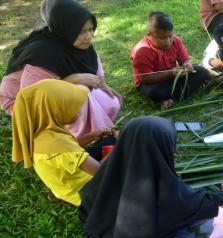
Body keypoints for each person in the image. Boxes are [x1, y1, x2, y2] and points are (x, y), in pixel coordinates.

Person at [79, 116, 223, 238]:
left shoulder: (98, 183)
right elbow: (209, 206)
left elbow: (86, 218)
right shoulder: (169, 195)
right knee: (212, 224)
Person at [1, 0, 122, 139]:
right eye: (82, 31)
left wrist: (103, 84)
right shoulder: (43, 52)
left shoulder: (74, 39)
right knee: (80, 93)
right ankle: (85, 136)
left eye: (91, 29)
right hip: (22, 103)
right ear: (67, 28)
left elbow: (94, 61)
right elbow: (32, 97)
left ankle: (93, 128)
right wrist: (75, 79)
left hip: (57, 87)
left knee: (109, 101)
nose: (89, 36)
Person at [11, 80, 105, 206]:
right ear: (54, 110)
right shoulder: (59, 145)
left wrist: (92, 135)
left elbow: (72, 148)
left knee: (107, 142)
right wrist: (118, 150)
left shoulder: (44, 134)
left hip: (66, 188)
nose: (79, 109)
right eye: (70, 105)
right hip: (89, 195)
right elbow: (104, 174)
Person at [131, 11, 208, 110]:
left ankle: (170, 99)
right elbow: (146, 78)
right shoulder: (141, 51)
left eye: (170, 36)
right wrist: (171, 73)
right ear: (149, 35)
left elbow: (185, 59)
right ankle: (178, 95)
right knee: (154, 92)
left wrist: (187, 65)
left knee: (201, 71)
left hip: (173, 75)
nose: (168, 41)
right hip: (152, 82)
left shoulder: (175, 40)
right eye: (162, 38)